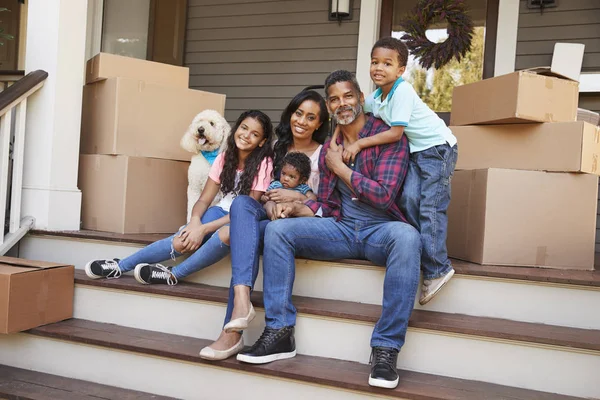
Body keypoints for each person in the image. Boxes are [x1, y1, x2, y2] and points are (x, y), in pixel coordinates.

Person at [237, 70, 421, 390]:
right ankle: (280, 332)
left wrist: (341, 169)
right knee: (278, 231)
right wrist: (296, 208)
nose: (342, 103)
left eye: (348, 96)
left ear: (361, 98)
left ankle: (386, 348)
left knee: (408, 237)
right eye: (334, 99)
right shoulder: (331, 145)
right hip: (340, 228)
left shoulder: (390, 138)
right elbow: (324, 202)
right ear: (329, 105)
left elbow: (383, 195)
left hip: (381, 230)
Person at [199, 90, 329, 360]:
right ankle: (242, 304)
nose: (302, 121)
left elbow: (327, 202)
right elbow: (265, 192)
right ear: (289, 113)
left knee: (243, 235)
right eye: (298, 113)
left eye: (311, 117)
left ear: (319, 124)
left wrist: (296, 199)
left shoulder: (325, 153)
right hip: (270, 217)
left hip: (301, 222)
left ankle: (230, 334)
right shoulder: (277, 149)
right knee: (241, 205)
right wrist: (270, 205)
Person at [331, 37, 458, 305]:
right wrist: (335, 138)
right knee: (409, 198)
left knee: (430, 207)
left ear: (400, 70)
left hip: (437, 150)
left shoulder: (402, 92)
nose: (379, 67)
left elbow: (395, 133)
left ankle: (438, 267)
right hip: (416, 152)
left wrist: (360, 143)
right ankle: (420, 252)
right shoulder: (377, 96)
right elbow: (347, 112)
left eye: (387, 63)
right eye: (375, 62)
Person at [84, 110, 274, 288]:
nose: (246, 135)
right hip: (220, 210)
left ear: (261, 142)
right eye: (244, 128)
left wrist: (203, 229)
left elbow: (245, 210)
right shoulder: (225, 158)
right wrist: (194, 223)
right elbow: (203, 200)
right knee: (182, 239)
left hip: (242, 218)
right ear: (236, 128)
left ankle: (173, 274)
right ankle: (120, 266)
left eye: (254, 134)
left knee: (222, 236)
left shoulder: (264, 164)